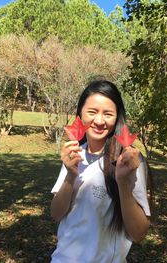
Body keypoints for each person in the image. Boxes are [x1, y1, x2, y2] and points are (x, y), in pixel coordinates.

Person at [50, 80, 152, 263]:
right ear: (80, 114)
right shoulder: (74, 154)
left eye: (108, 114)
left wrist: (123, 183)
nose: (99, 121)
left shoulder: (129, 160)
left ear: (117, 117)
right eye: (92, 112)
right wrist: (70, 176)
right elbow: (56, 214)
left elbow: (139, 234)